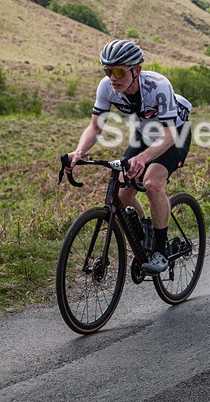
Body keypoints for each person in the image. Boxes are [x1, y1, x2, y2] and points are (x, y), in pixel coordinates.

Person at [65, 40, 192, 274]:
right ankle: (145, 228)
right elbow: (95, 128)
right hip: (144, 132)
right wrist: (79, 152)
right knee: (121, 196)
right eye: (107, 70)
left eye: (119, 71)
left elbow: (168, 135)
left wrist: (143, 159)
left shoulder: (159, 86)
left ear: (136, 70)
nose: (112, 77)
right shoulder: (106, 87)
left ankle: (161, 251)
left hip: (174, 133)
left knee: (152, 183)